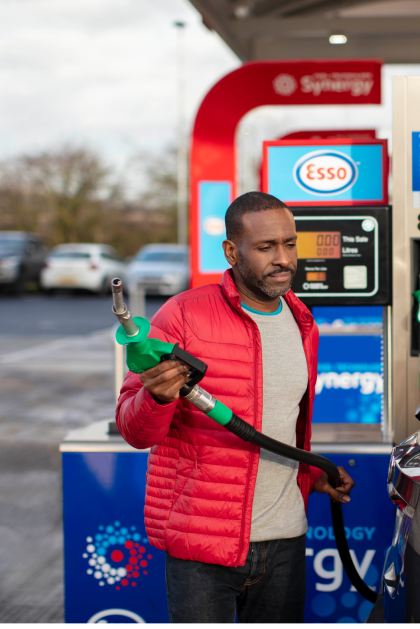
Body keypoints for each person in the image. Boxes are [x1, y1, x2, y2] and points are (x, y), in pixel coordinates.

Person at [115, 191, 355, 623]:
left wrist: (311, 471)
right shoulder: (184, 315)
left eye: (289, 243)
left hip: (285, 541)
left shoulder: (302, 321)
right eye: (266, 247)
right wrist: (156, 397)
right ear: (231, 250)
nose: (283, 259)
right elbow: (136, 432)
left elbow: (280, 424)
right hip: (203, 547)